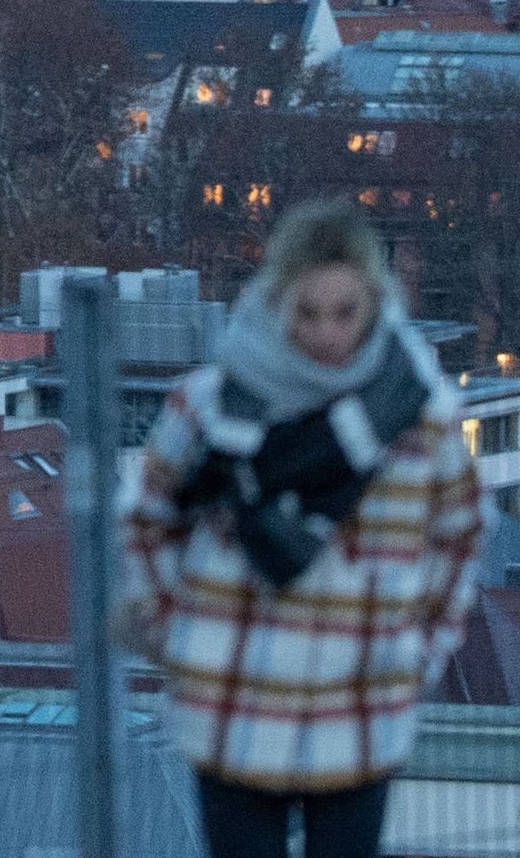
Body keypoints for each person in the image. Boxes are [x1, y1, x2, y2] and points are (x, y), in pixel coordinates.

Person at [127, 198, 488, 858]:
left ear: (375, 304)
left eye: (345, 312)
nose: (326, 332)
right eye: (307, 311)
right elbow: (148, 522)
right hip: (231, 698)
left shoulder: (419, 419)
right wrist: (176, 637)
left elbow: (460, 537)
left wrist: (418, 654)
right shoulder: (210, 403)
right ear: (276, 300)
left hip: (360, 707)